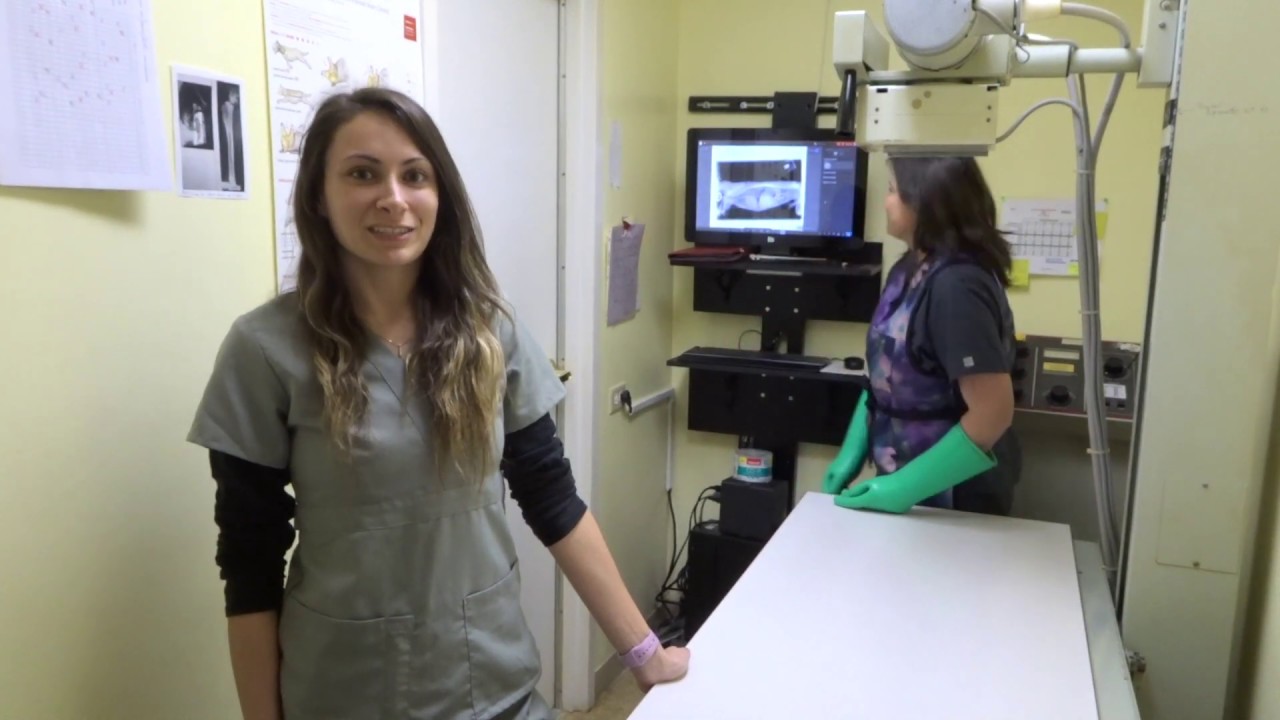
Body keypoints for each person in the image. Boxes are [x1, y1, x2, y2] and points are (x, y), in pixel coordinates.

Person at [186, 86, 689, 719]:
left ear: (439, 195)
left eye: (414, 175)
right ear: (317, 194)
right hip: (343, 692)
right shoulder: (265, 350)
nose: (393, 198)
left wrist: (643, 654)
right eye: (362, 174)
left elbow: (553, 499)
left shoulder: (490, 332)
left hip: (494, 682)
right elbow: (249, 565)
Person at [822, 156, 1022, 515]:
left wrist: (903, 488)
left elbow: (992, 412)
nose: (886, 202)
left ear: (926, 200)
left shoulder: (957, 287)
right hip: (903, 473)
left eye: (892, 190)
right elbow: (885, 373)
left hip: (955, 493)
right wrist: (852, 451)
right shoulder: (908, 268)